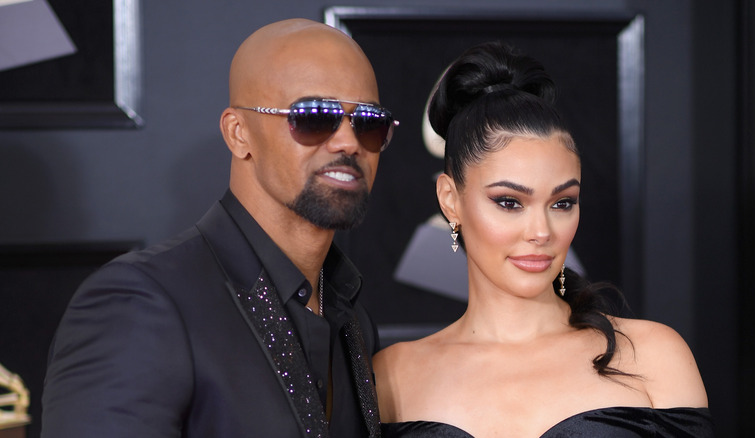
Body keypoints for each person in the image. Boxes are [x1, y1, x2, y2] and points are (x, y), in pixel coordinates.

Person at [41, 18, 398, 438]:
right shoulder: (141, 302)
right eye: (314, 116)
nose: (348, 142)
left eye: (369, 122)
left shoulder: (352, 318)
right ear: (238, 133)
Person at [373, 41, 713, 437]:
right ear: (451, 201)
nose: (541, 233)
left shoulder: (652, 356)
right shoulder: (391, 377)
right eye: (509, 202)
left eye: (562, 203)